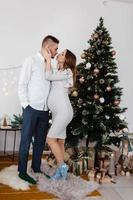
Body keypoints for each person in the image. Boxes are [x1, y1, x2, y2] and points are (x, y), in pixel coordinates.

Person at [18, 35, 59, 184]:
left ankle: (36, 168)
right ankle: (22, 172)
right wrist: (26, 105)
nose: (56, 52)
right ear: (48, 48)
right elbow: (22, 84)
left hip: (44, 110)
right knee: (26, 141)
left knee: (40, 142)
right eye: (55, 49)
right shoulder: (31, 60)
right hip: (31, 109)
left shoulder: (50, 65)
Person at [43, 48, 76, 180]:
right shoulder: (60, 71)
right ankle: (61, 172)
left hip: (64, 111)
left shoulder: (67, 72)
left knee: (50, 139)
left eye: (62, 54)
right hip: (58, 112)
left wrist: (47, 59)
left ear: (67, 59)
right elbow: (51, 74)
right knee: (60, 141)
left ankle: (62, 167)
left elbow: (48, 76)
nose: (59, 54)